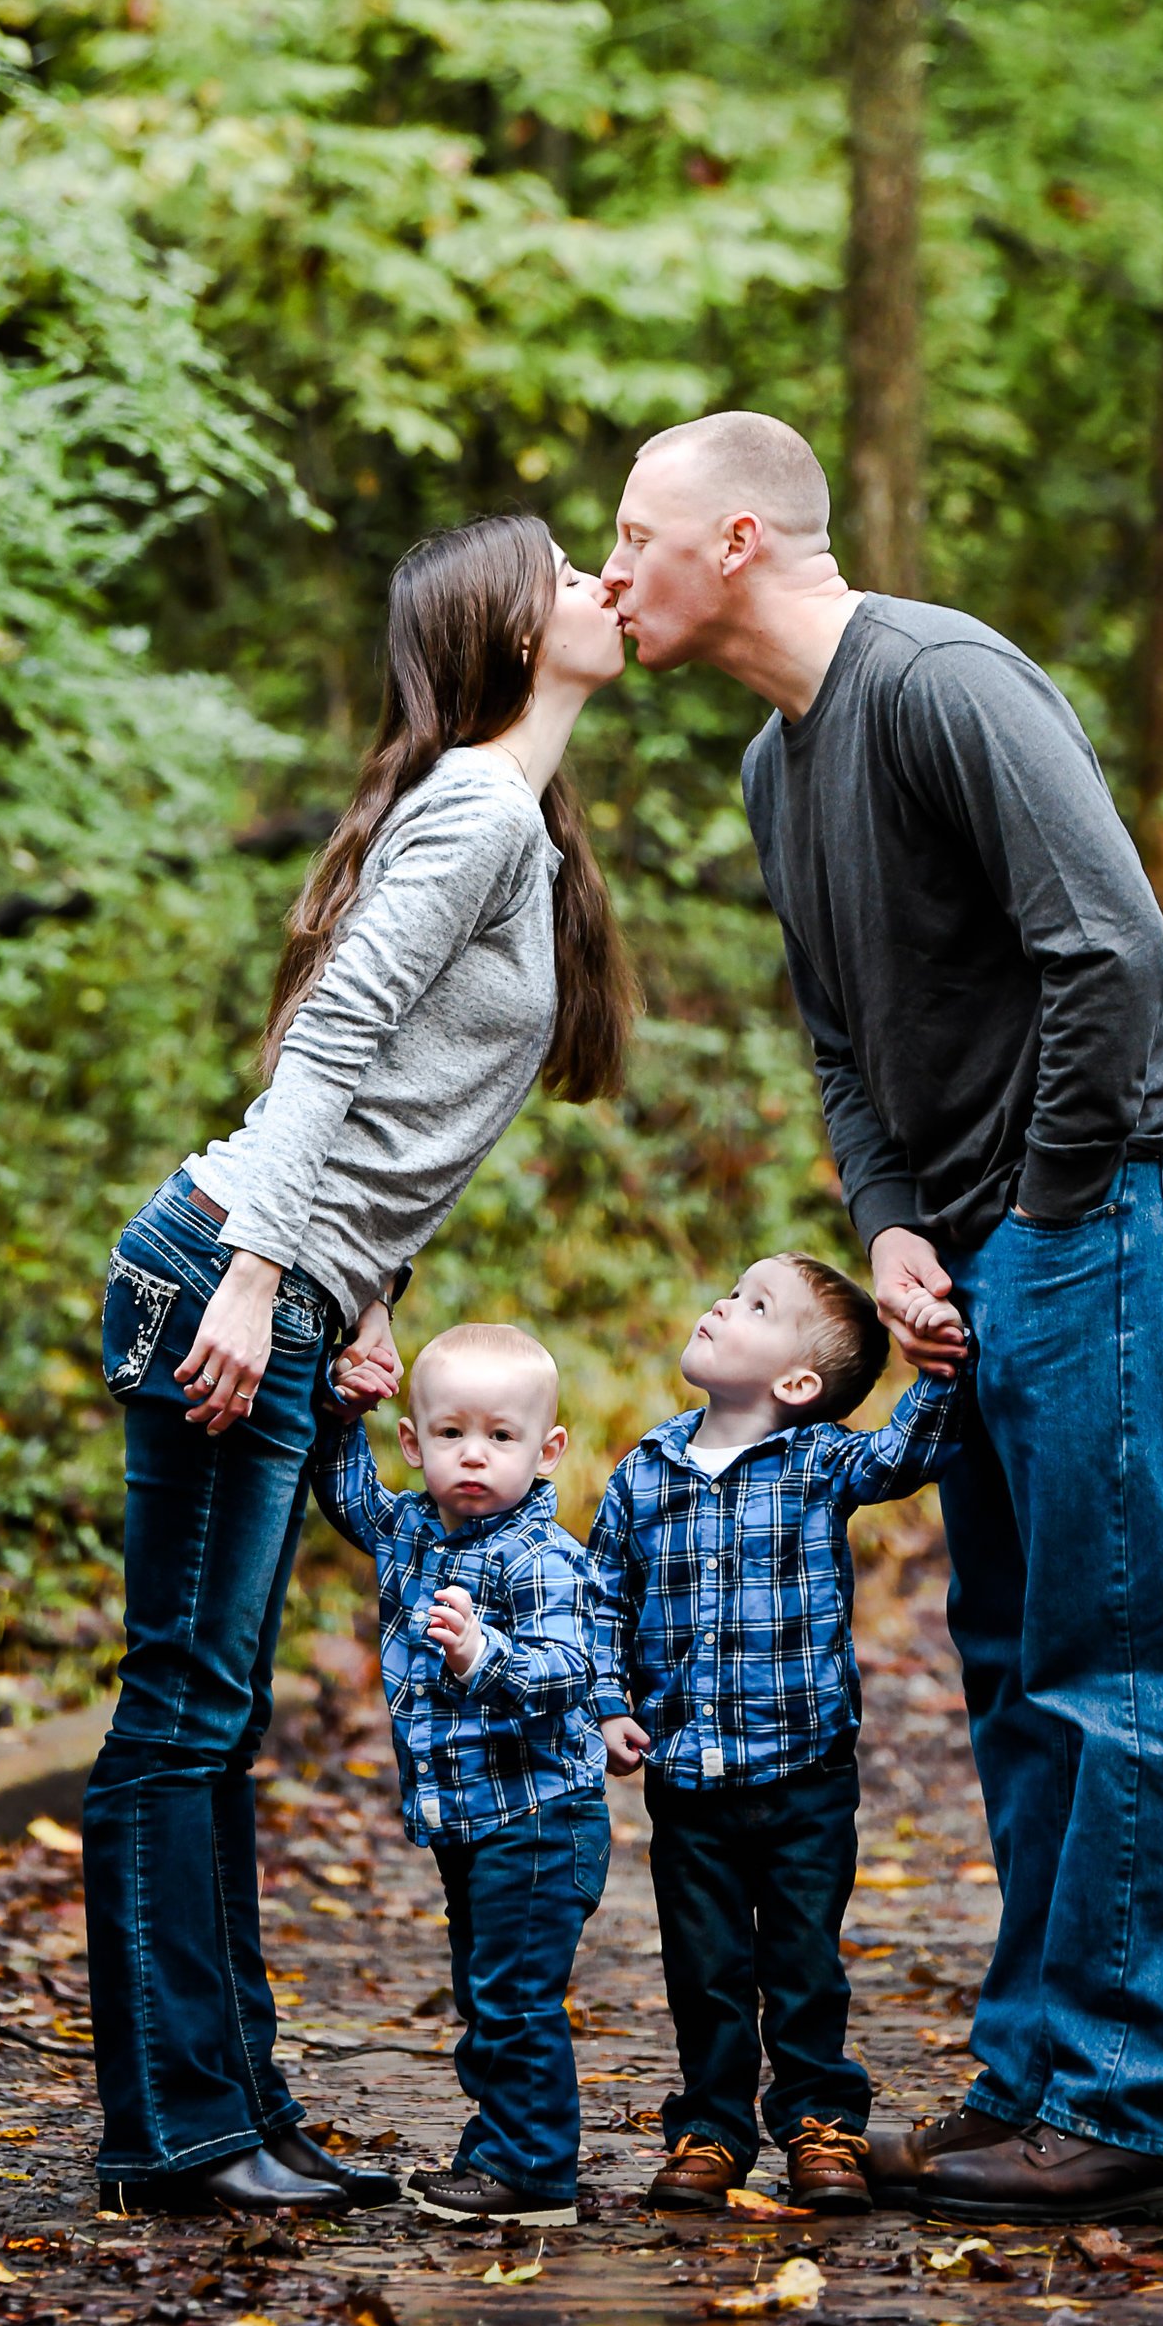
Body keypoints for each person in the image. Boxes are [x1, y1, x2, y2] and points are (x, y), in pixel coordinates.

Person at [602, 411, 1163, 2223]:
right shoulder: (770, 768)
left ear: (737, 541)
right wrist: (892, 1227)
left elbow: (1108, 954)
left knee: (1120, 1667)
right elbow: (841, 1036)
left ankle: (1138, 2111)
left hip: (1111, 1206)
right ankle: (1040, 2068)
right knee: (1016, 1669)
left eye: (635, 532)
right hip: (973, 1251)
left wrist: (1029, 1215)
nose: (609, 568)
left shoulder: (945, 680)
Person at [84, 515, 634, 2217]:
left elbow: (408, 1105)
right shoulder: (474, 802)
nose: (606, 587)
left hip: (299, 1281)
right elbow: (327, 1037)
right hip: (228, 1271)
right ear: (515, 631)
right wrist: (259, 1280)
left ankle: (227, 2106)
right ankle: (174, 2132)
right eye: (574, 572)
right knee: (178, 1722)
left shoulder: (511, 820)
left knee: (211, 1720)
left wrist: (365, 1288)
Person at [587, 1252, 963, 2216]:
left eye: (756, 1306)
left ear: (796, 1384)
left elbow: (905, 1457)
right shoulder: (644, 1472)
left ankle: (818, 2125)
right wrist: (607, 1702)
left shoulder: (822, 1460)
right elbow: (601, 1602)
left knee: (802, 1963)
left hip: (805, 1775)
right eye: (732, 1290)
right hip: (690, 1782)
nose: (723, 1303)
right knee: (705, 1967)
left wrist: (935, 1374)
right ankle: (712, 2130)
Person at [312, 1323, 609, 2227]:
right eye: (450, 1435)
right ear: (416, 1442)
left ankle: (531, 2169)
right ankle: (503, 2149)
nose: (474, 1455)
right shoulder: (410, 1530)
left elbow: (570, 1671)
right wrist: (339, 1412)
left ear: (547, 1449)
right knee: (488, 1994)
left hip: (540, 1817)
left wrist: (487, 1655)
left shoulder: (542, 1556)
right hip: (470, 1822)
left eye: (502, 1437)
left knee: (513, 1998)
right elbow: (348, 1496)